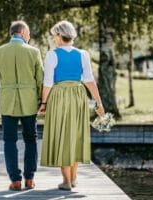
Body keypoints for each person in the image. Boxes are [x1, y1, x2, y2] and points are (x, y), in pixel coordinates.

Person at [39, 20, 105, 191]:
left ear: (60, 35)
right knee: (75, 135)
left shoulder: (52, 55)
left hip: (59, 95)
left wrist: (43, 102)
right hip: (78, 95)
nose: (53, 39)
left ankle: (66, 181)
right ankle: (74, 178)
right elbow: (90, 80)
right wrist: (99, 102)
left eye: (54, 35)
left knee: (62, 135)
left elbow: (47, 83)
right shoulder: (83, 54)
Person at [0, 20, 43, 191]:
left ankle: (15, 180)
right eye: (29, 33)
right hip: (29, 102)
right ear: (23, 33)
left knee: (9, 141)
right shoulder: (34, 52)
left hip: (7, 102)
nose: (30, 36)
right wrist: (42, 102)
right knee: (31, 139)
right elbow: (40, 79)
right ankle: (30, 179)